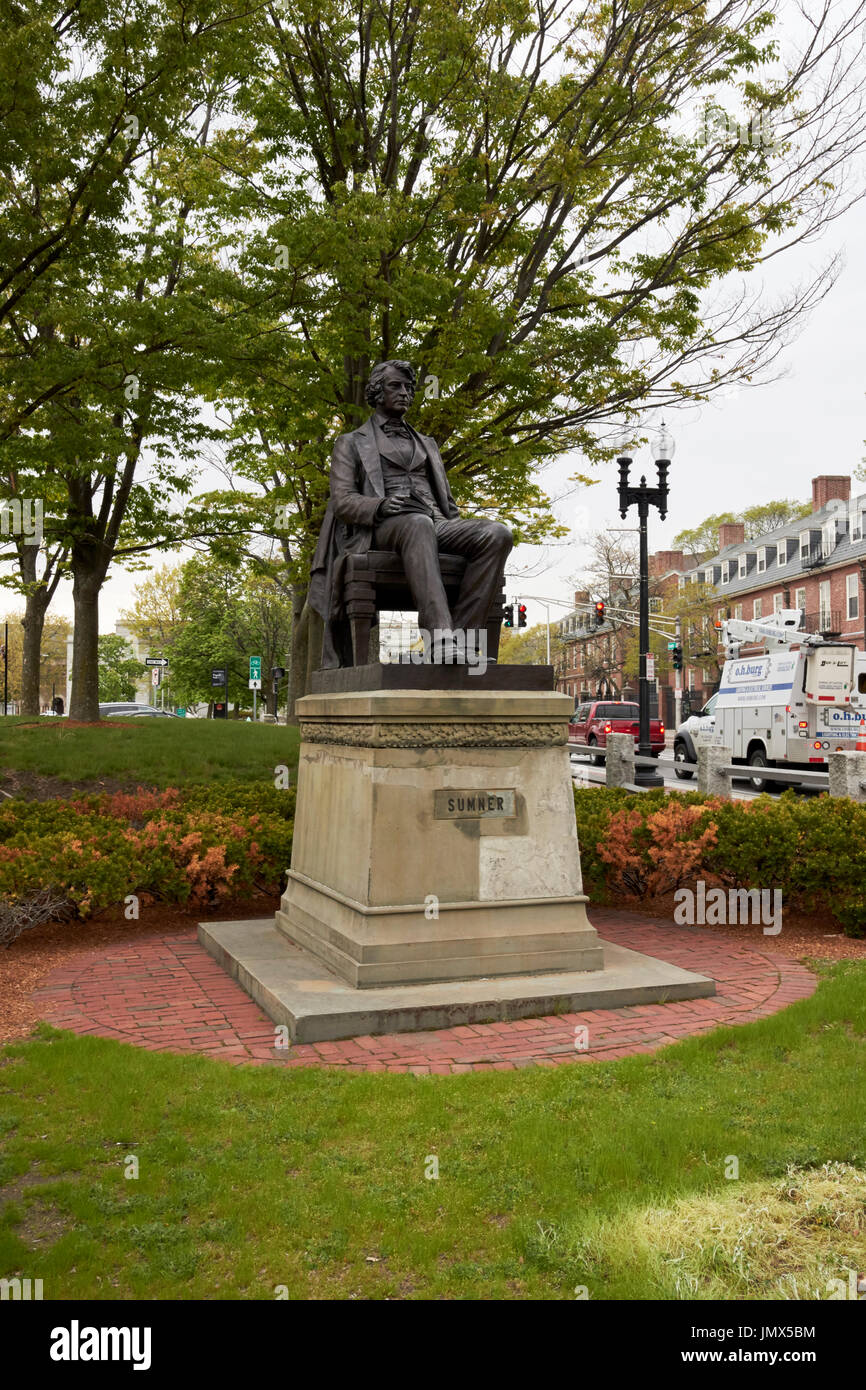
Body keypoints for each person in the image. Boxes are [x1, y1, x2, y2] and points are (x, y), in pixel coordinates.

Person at [309, 360, 512, 666]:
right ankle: (439, 639)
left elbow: (447, 501)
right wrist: (379, 506)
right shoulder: (350, 443)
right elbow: (342, 501)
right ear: (377, 392)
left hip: (436, 522)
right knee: (418, 524)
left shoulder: (427, 444)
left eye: (408, 387)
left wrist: (452, 523)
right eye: (395, 386)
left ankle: (463, 640)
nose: (404, 393)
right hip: (385, 528)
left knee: (497, 533)